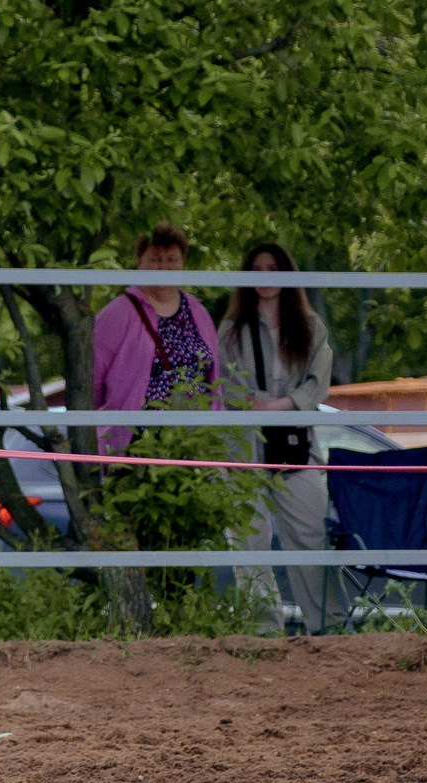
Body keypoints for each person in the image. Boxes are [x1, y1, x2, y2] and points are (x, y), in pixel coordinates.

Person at [218, 242, 340, 635]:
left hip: (296, 451)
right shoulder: (231, 330)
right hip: (243, 452)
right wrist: (267, 405)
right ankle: (264, 635)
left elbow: (317, 385)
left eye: (274, 268)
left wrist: (278, 405)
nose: (265, 277)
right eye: (257, 269)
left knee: (310, 540)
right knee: (249, 548)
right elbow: (226, 388)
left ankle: (329, 631)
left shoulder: (310, 326)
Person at [91, 222, 222, 453]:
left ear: (182, 263)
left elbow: (213, 376)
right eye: (155, 259)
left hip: (193, 442)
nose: (163, 267)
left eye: (172, 259)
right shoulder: (118, 312)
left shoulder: (198, 312)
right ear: (139, 261)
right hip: (137, 442)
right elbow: (93, 379)